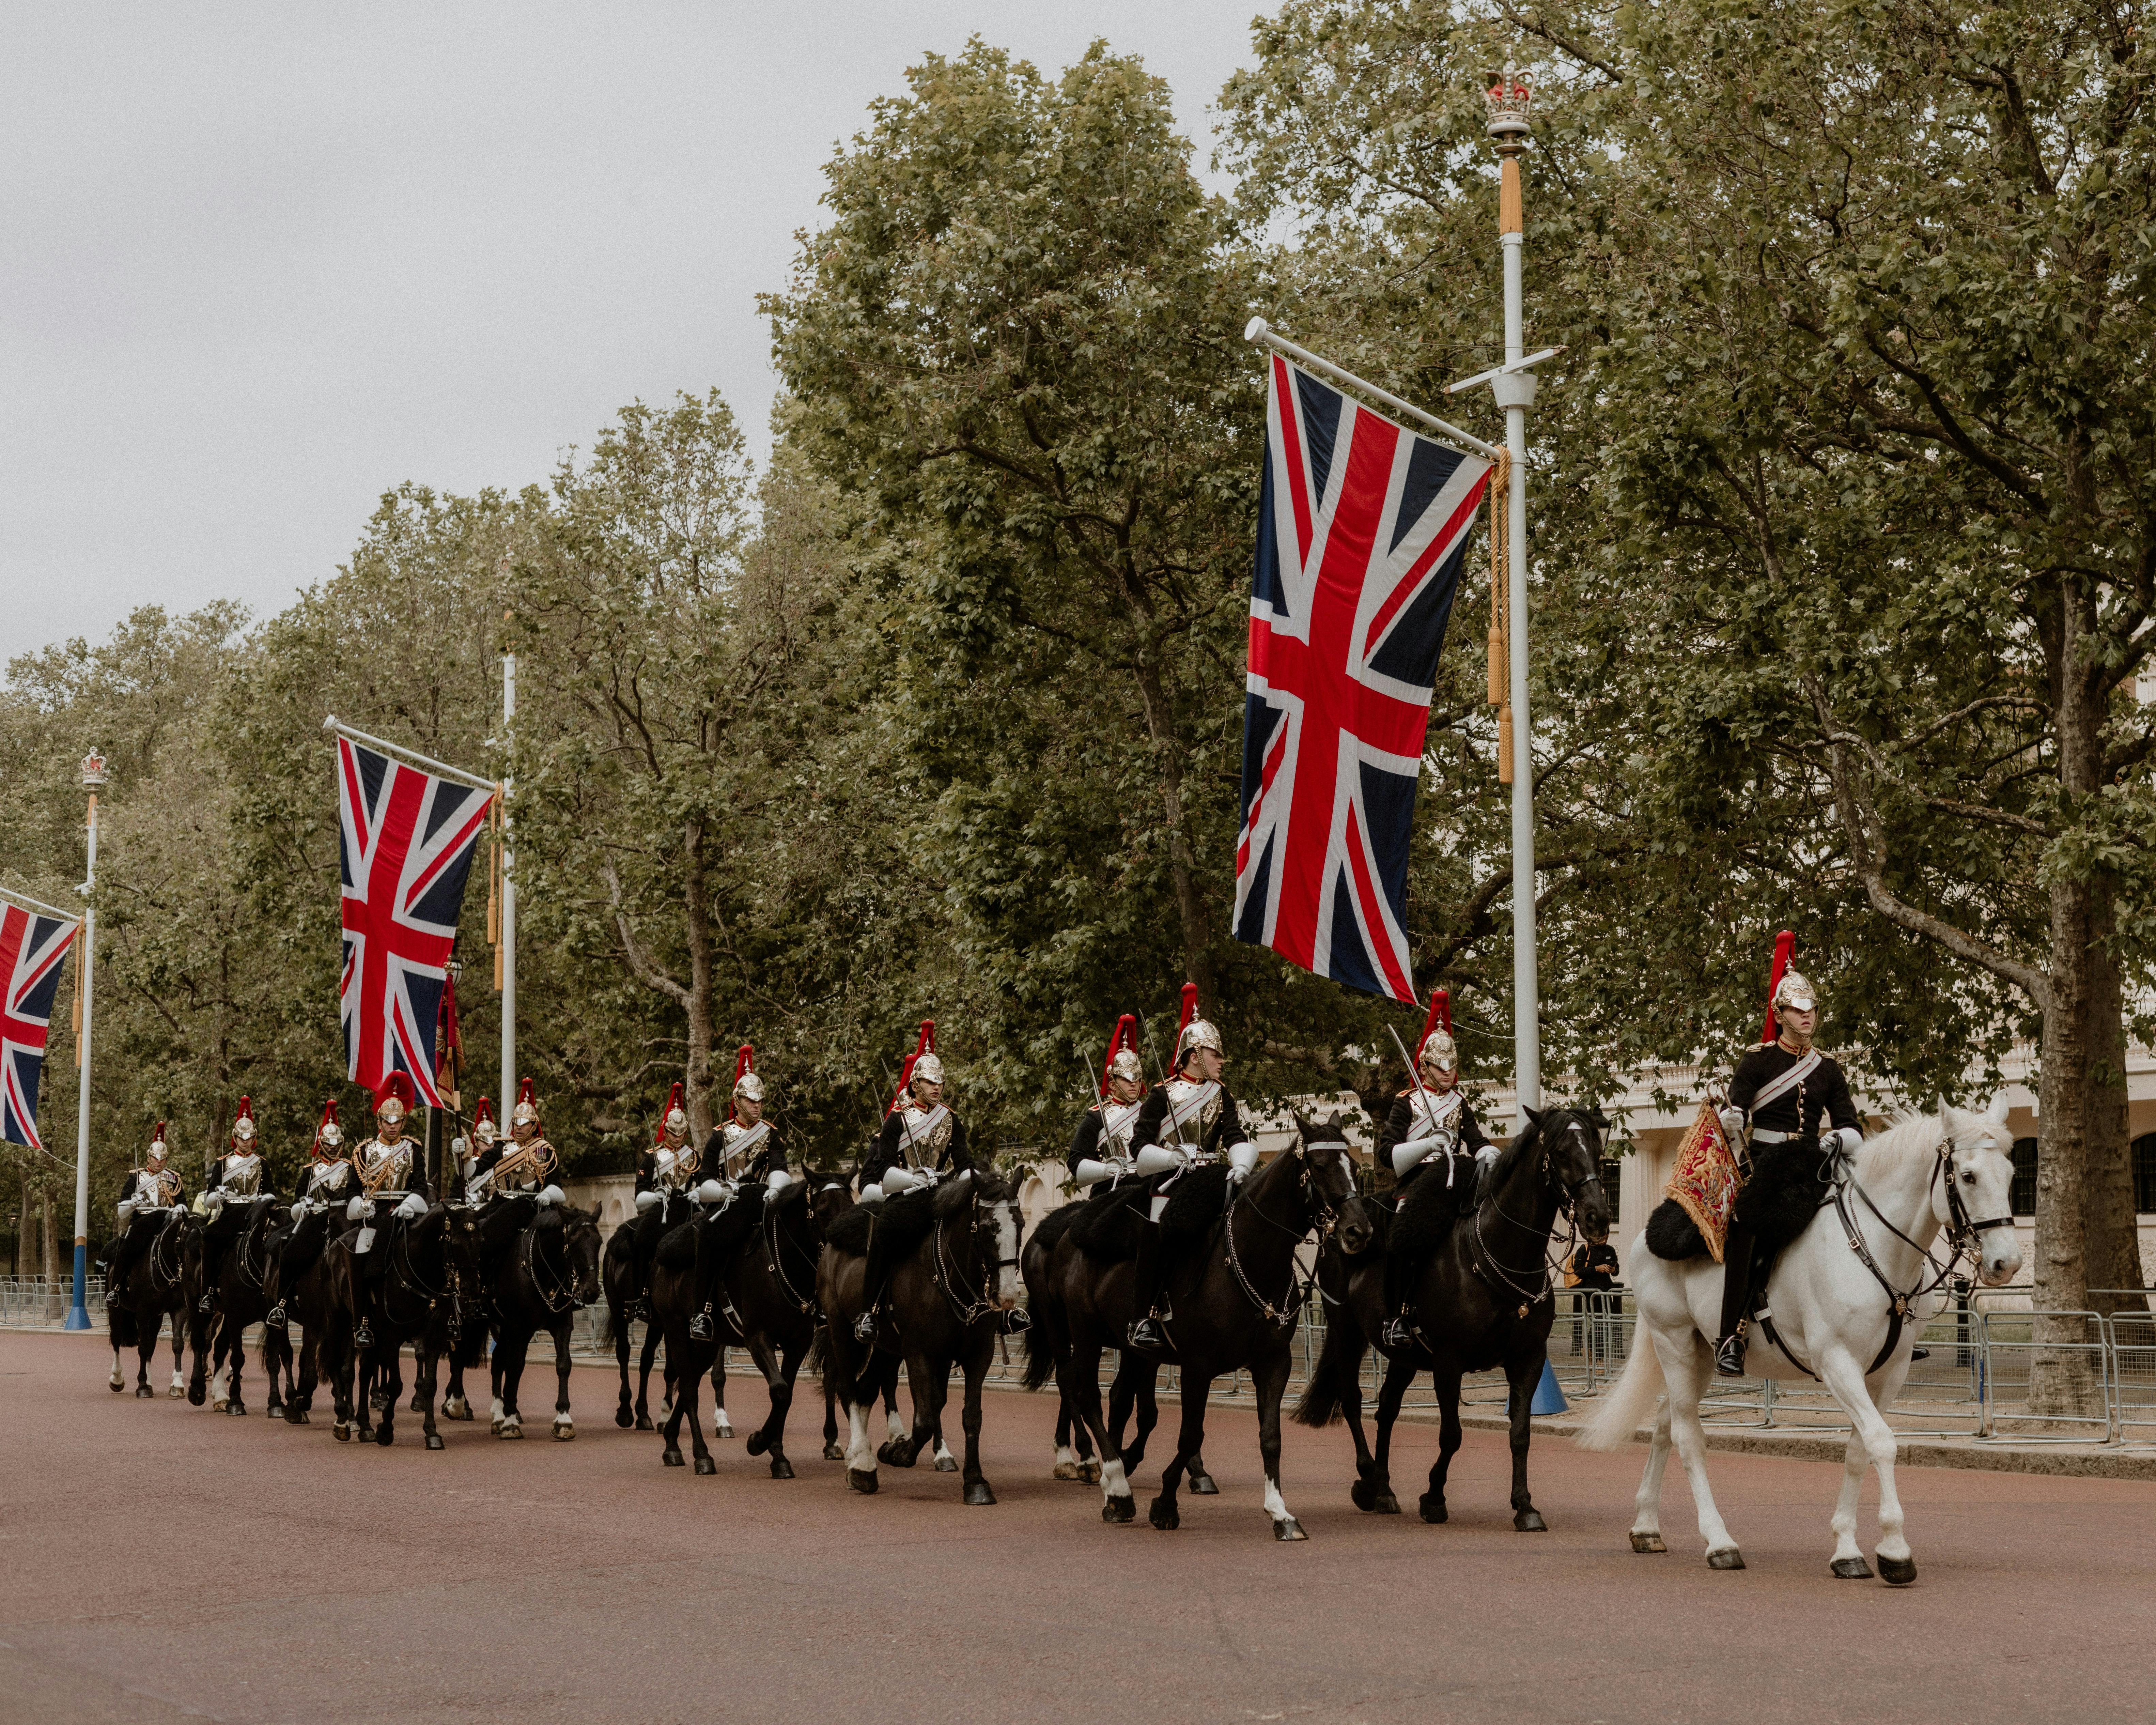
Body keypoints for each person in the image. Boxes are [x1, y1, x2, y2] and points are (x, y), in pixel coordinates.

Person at [1711, 947, 1863, 1377]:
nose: (1807, 1017)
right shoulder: (1758, 1059)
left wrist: (1837, 1138)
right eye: (1798, 1010)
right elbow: (1733, 1114)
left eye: (1811, 1009)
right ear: (1780, 1013)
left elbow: (1851, 1125)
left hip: (1814, 1161)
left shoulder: (1828, 1069)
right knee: (1746, 1229)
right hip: (1766, 1162)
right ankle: (1730, 1334)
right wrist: (1732, 1118)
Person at [1123, 985, 1259, 1351]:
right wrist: (1170, 1158)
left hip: (1212, 1179)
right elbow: (1138, 1146)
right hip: (1169, 1182)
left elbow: (1234, 1134)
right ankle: (1145, 1316)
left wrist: (1242, 1165)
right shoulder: (1161, 1093)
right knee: (1156, 1235)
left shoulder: (1221, 1094)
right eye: (1216, 1054)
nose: (1221, 1060)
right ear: (1195, 1054)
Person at [1375, 991, 1494, 1349]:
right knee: (1401, 1238)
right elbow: (1385, 1153)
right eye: (1441, 1067)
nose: (1448, 1073)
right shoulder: (1406, 1102)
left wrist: (1491, 1153)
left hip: (1456, 1177)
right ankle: (1395, 1315)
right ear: (1424, 1066)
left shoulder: (1459, 1102)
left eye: (1452, 1066)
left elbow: (1476, 1139)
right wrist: (1427, 1143)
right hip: (1416, 1181)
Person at [852, 1020, 976, 1342]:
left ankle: (993, 1307)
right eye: (929, 1081)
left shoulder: (950, 1118)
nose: (937, 1087)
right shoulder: (898, 1118)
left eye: (940, 1082)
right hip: (907, 1197)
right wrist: (912, 1179)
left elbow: (964, 1164)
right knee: (883, 1233)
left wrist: (969, 1184)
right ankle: (869, 1311)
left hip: (943, 1195)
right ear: (915, 1082)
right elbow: (882, 1170)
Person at [682, 1044, 792, 1340]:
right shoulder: (719, 1136)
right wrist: (723, 1190)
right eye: (750, 1100)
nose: (757, 1106)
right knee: (707, 1236)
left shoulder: (771, 1133)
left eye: (760, 1101)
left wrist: (775, 1188)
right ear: (738, 1100)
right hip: (727, 1203)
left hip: (762, 1199)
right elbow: (704, 1178)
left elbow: (780, 1167)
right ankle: (701, 1312)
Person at [351, 1073, 433, 1350]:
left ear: (404, 1121)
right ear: (380, 1121)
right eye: (388, 1121)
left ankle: (439, 1311)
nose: (393, 1126)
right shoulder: (363, 1151)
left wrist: (410, 1204)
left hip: (407, 1210)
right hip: (373, 1213)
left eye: (398, 1121)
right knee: (359, 1256)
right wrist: (361, 1205)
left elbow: (421, 1186)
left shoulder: (413, 1150)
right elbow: (351, 1190)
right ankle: (363, 1319)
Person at [267, 1099, 348, 1327]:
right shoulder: (309, 1170)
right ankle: (282, 1303)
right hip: (316, 1220)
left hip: (342, 1219)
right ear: (321, 1144)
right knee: (290, 1253)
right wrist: (302, 1204)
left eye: (336, 1143)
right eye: (328, 1143)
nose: (333, 1147)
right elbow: (297, 1198)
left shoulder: (350, 1168)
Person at [629, 1081, 698, 1322]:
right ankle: (643, 1297)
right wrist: (656, 1196)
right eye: (672, 1133)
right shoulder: (651, 1158)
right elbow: (639, 1195)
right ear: (665, 1130)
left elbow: (702, 1181)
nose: (677, 1138)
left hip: (689, 1211)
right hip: (662, 1212)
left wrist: (698, 1192)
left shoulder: (695, 1157)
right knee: (641, 1242)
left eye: (681, 1133)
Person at [198, 1096, 275, 1311]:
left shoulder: (262, 1163)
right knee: (208, 1236)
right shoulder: (222, 1163)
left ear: (254, 1138)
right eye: (241, 1138)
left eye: (249, 1137)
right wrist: (219, 1196)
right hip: (231, 1212)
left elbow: (271, 1194)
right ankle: (208, 1292)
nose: (245, 1141)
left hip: (256, 1213)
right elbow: (210, 1200)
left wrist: (263, 1201)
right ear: (235, 1137)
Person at [1066, 1014, 1147, 1199]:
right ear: (1112, 1085)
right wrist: (1105, 1170)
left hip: (1146, 1189)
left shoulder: (1149, 1112)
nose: (1133, 1083)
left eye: (1136, 1078)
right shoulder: (1097, 1117)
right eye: (1127, 1079)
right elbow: (1076, 1160)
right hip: (1109, 1191)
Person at [107, 1123, 186, 1304]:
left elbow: (183, 1204)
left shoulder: (174, 1179)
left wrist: (178, 1210)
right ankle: (117, 1289)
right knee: (126, 1249)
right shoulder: (136, 1177)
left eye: (162, 1158)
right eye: (155, 1158)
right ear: (149, 1157)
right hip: (143, 1222)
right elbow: (121, 1212)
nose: (159, 1161)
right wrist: (133, 1204)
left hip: (167, 1221)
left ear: (167, 1159)